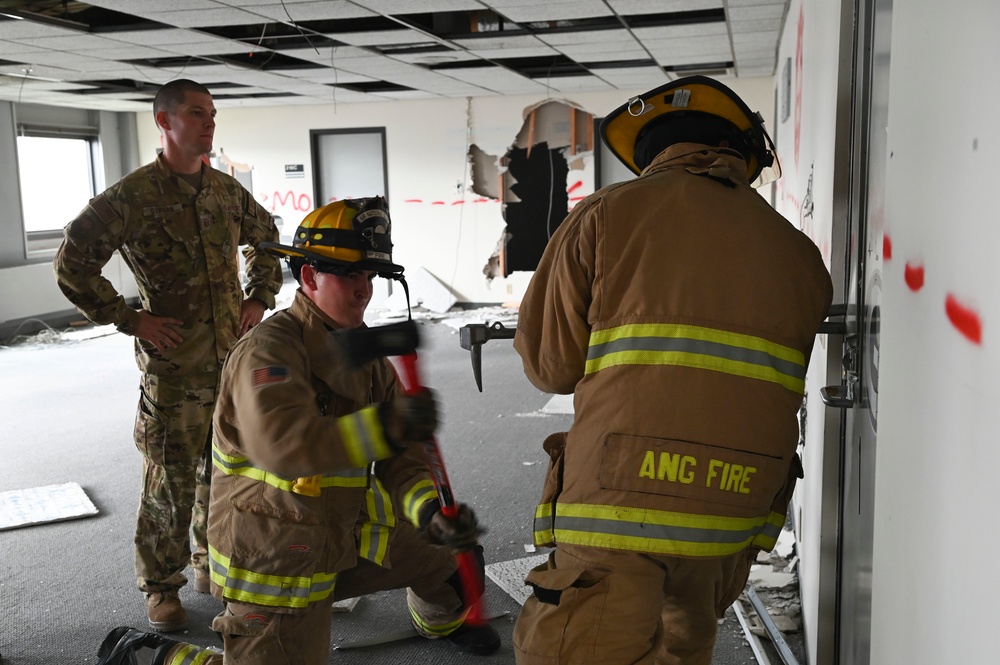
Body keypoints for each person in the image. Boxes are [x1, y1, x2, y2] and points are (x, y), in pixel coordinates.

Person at [511, 75, 834, 664]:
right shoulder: (800, 253)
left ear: (654, 155)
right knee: (684, 648)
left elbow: (549, 367)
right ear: (743, 153)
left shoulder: (607, 213)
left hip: (618, 501)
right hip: (730, 514)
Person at [95, 197, 501, 664]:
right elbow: (286, 447)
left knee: (456, 562)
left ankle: (439, 619)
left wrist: (429, 510)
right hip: (276, 553)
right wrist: (389, 424)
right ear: (309, 278)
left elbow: (402, 460)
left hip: (343, 530)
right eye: (349, 275)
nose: (363, 290)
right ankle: (152, 655)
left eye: (368, 276)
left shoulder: (366, 356)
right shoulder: (268, 352)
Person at [53, 78, 282, 633]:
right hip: (175, 371)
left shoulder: (226, 192)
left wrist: (259, 295)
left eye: (212, 114)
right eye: (197, 113)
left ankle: (211, 564)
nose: (208, 123)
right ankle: (160, 588)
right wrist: (132, 319)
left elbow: (266, 236)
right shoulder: (131, 198)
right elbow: (72, 264)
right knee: (170, 484)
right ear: (164, 122)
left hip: (230, 364)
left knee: (227, 474)